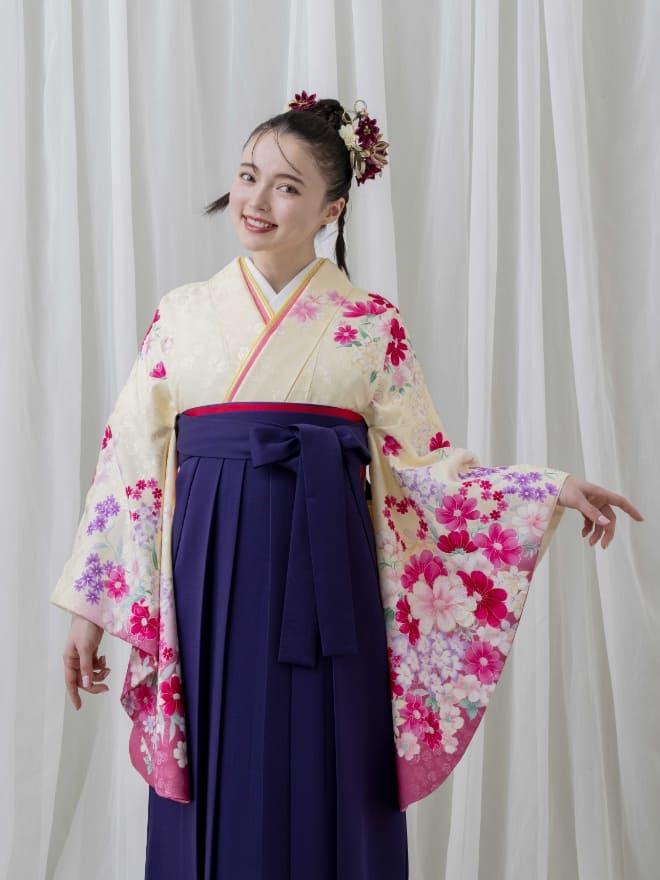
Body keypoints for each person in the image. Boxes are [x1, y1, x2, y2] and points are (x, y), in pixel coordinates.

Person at [52, 93, 643, 879]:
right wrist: (90, 610)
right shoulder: (183, 315)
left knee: (327, 766)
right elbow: (126, 461)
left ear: (332, 209)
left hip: (330, 578)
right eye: (248, 176)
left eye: (287, 187)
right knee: (220, 762)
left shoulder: (370, 323)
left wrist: (548, 488)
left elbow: (426, 469)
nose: (257, 200)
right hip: (205, 577)